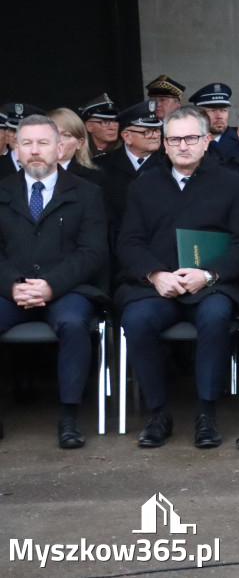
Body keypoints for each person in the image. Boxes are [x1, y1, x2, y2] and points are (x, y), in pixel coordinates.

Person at [116, 106, 239, 449]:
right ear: (164, 144)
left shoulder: (234, 185)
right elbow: (128, 241)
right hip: (156, 288)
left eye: (191, 138)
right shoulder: (143, 186)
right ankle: (158, 413)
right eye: (174, 139)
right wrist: (155, 274)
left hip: (211, 285)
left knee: (216, 316)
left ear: (206, 141)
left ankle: (206, 413)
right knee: (136, 319)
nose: (182, 146)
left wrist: (208, 274)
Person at [0, 115, 108, 448]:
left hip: (67, 290)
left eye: (43, 143)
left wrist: (49, 285)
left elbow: (92, 253)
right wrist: (13, 285)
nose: (35, 151)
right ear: (15, 149)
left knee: (75, 323)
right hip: (10, 291)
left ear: (60, 147)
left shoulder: (88, 193)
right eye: (27, 143)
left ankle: (70, 417)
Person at [94, 101, 165, 244]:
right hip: (115, 247)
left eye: (156, 130)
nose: (154, 135)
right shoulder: (100, 167)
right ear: (127, 136)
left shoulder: (170, 164)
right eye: (146, 131)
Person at [47, 108, 103, 186]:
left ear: (79, 143)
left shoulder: (95, 179)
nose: (58, 140)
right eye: (53, 133)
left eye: (66, 135)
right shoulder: (27, 173)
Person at [189, 83, 239, 161]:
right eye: (212, 110)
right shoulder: (186, 142)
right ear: (198, 114)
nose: (219, 116)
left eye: (223, 110)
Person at [0, 104, 47, 178]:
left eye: (21, 131)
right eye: (12, 130)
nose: (15, 136)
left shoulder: (50, 164)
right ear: (7, 132)